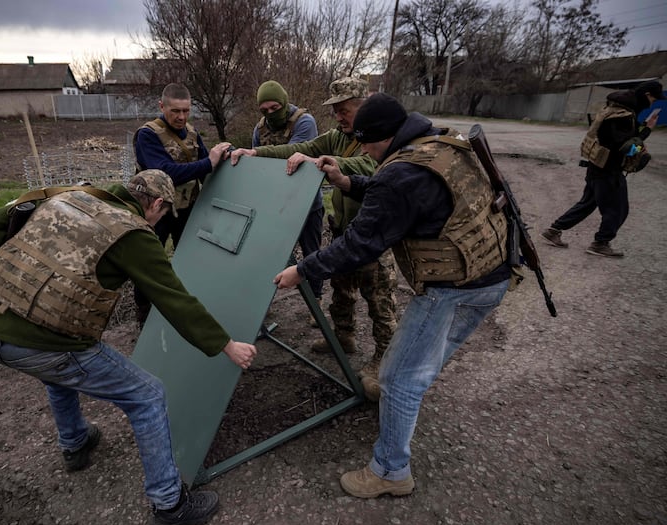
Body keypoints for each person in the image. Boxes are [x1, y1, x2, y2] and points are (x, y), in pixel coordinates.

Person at [0, 170, 257, 525]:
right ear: (156, 204)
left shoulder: (68, 197)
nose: (157, 223)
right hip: (46, 346)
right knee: (147, 395)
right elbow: (173, 299)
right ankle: (170, 505)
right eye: (160, 215)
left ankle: (76, 443)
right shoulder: (132, 232)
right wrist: (225, 345)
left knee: (58, 371)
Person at [273, 93, 511, 498]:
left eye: (366, 142)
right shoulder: (437, 142)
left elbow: (360, 244)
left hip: (452, 288)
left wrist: (303, 269)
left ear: (384, 137)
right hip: (493, 273)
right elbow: (405, 194)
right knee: (417, 364)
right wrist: (349, 182)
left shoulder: (399, 174)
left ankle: (390, 470)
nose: (363, 150)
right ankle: (399, 397)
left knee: (399, 376)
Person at [229, 77, 397, 401]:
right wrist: (257, 151)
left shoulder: (377, 139)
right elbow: (300, 149)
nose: (338, 117)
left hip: (374, 234)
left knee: (380, 302)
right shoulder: (335, 136)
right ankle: (343, 337)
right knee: (342, 290)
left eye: (344, 110)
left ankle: (385, 363)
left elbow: (369, 165)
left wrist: (325, 164)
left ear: (363, 106)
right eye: (335, 111)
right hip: (344, 229)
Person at [133, 83, 232, 325]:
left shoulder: (192, 133)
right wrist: (209, 162)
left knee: (189, 259)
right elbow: (167, 173)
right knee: (148, 264)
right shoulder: (147, 135)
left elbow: (210, 163)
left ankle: (187, 309)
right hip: (155, 212)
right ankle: (144, 316)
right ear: (161, 106)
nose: (181, 117)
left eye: (186, 111)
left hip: (186, 209)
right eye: (175, 111)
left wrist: (229, 155)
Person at [541, 80, 664, 257]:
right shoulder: (624, 116)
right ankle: (601, 243)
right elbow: (627, 149)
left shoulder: (614, 109)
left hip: (596, 167)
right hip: (609, 171)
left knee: (587, 203)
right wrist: (647, 132)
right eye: (654, 100)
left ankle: (553, 231)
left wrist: (641, 127)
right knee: (618, 209)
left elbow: (619, 137)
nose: (653, 103)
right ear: (647, 96)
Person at [252, 80, 324, 320]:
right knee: (270, 254)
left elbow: (292, 155)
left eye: (274, 108)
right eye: (264, 110)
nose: (270, 114)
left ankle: (317, 304)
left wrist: (262, 157)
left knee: (311, 253)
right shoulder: (259, 129)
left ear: (284, 102)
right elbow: (257, 166)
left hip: (307, 204)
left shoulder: (304, 122)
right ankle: (261, 304)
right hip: (277, 205)